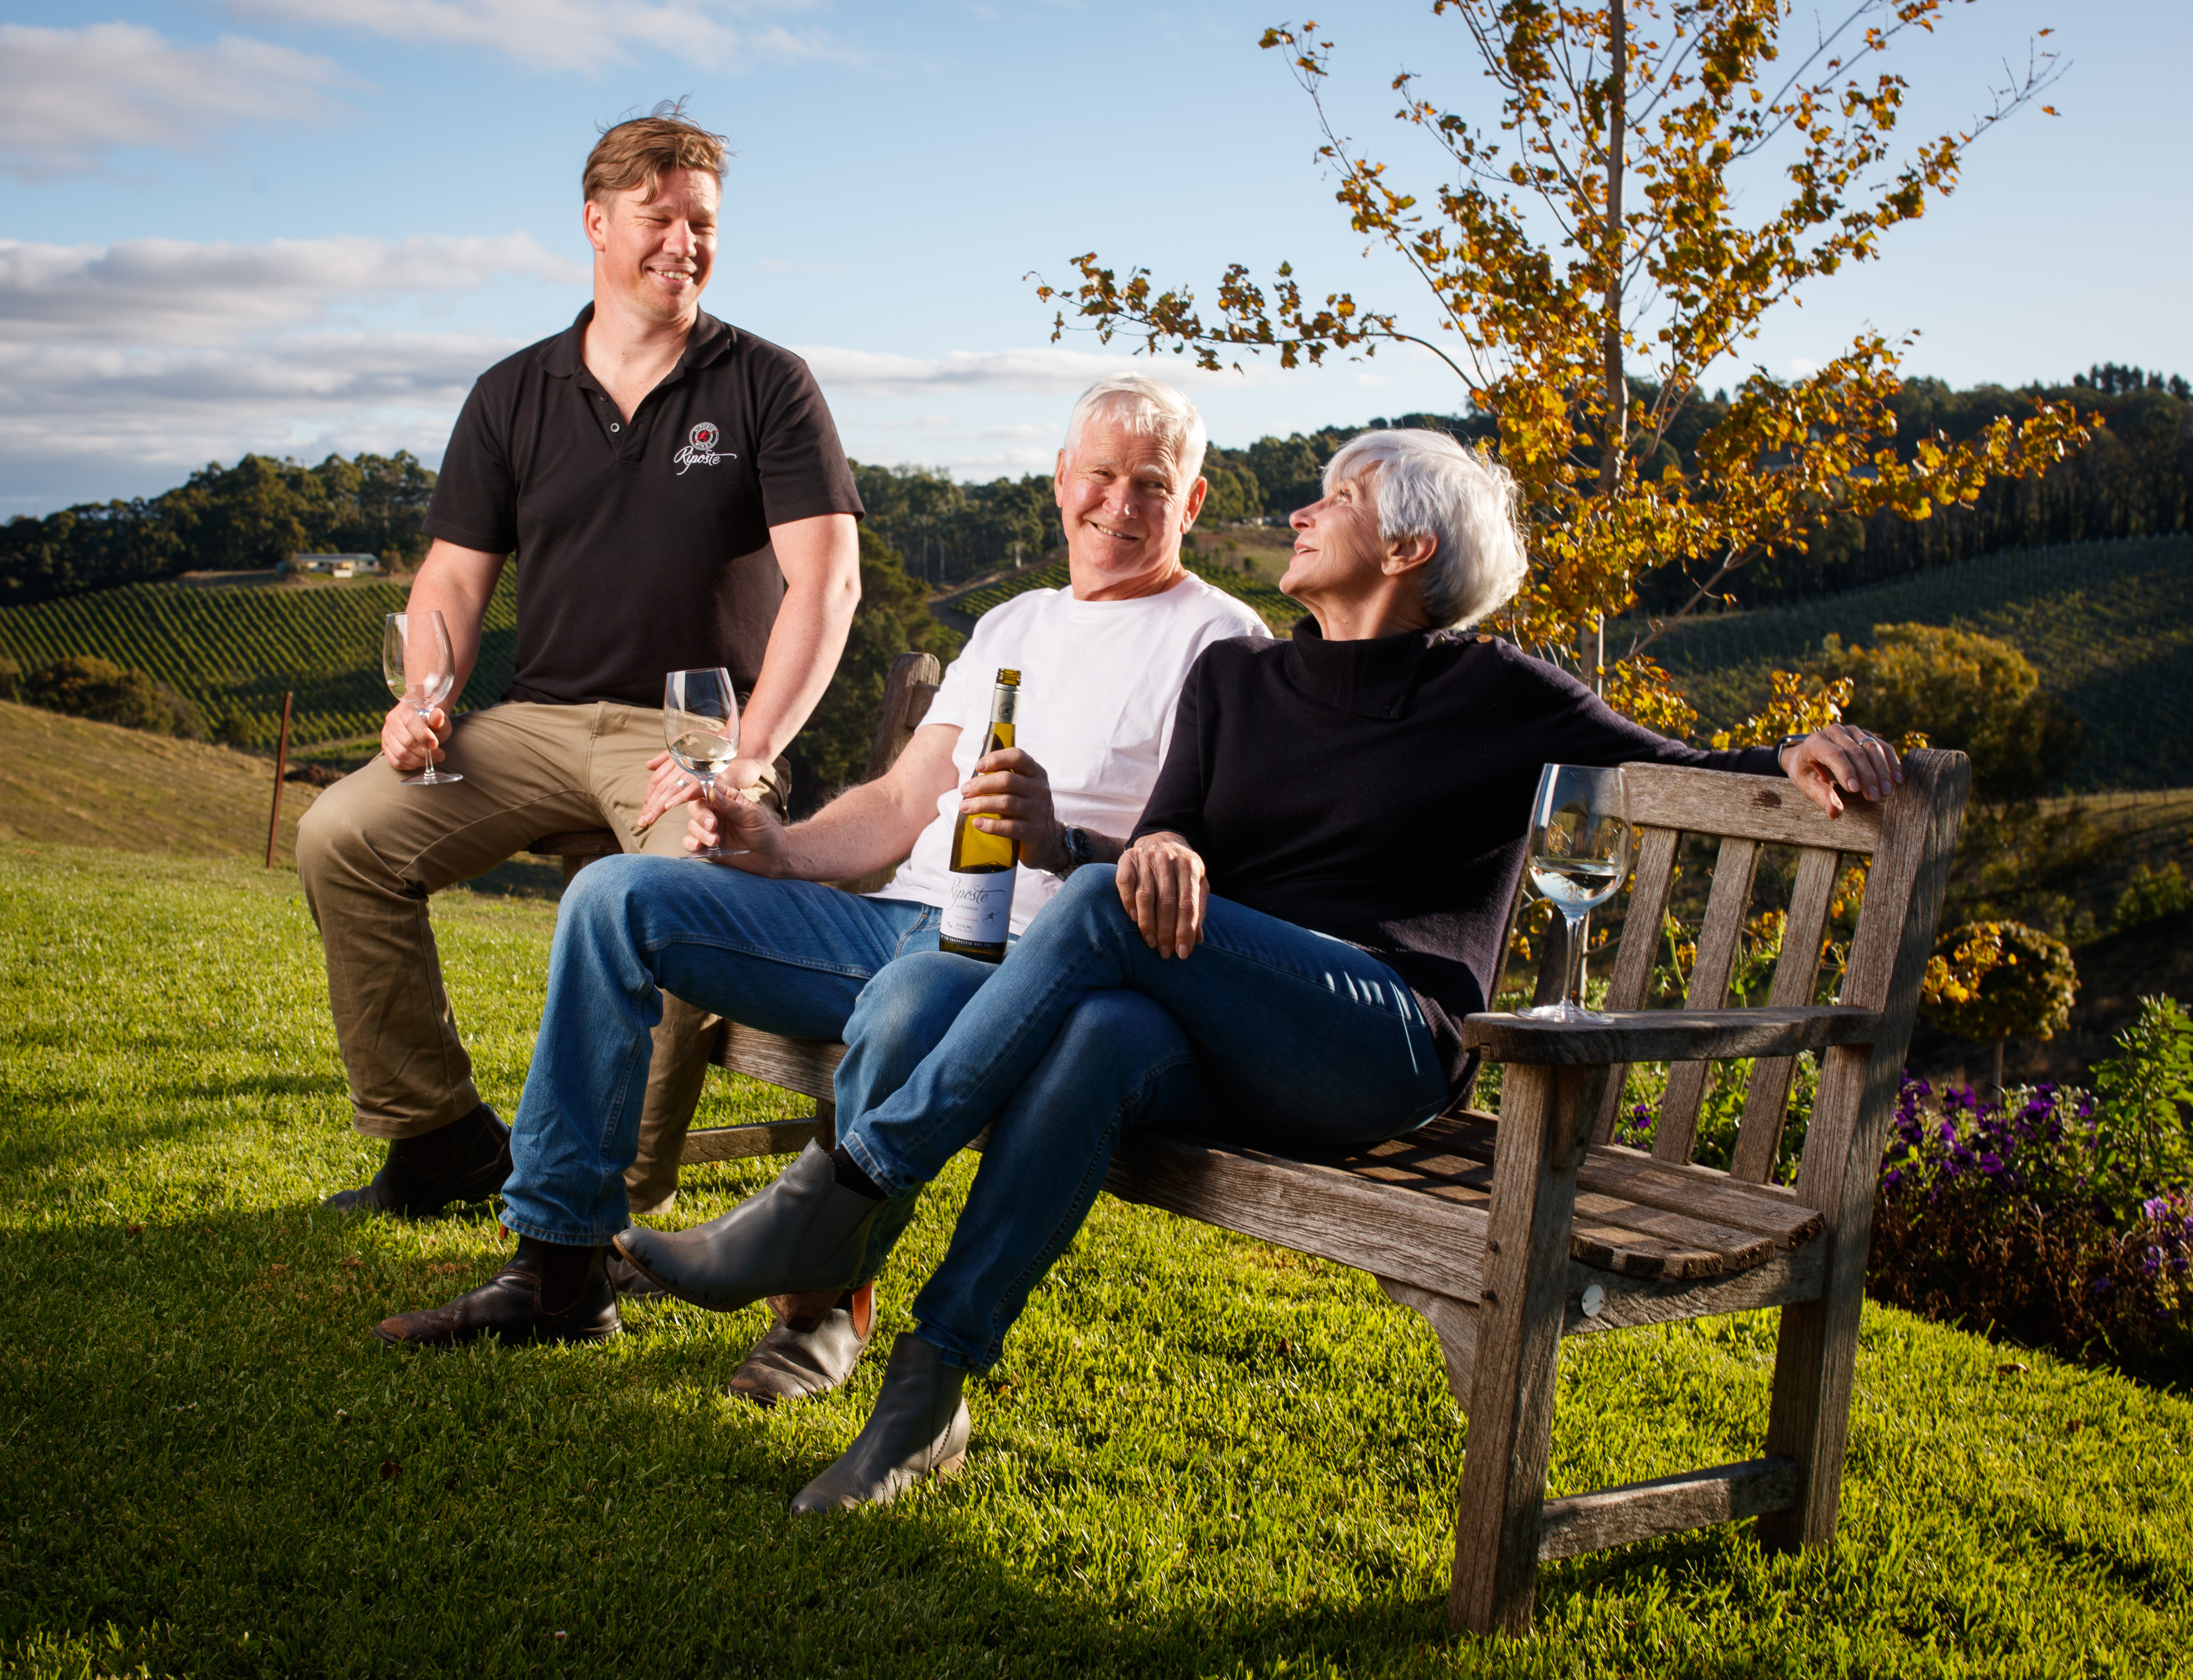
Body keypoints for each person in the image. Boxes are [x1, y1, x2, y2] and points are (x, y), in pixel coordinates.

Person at [608, 426, 1911, 1514]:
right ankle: (926, 1395)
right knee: (1101, 1034)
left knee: (1109, 938)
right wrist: (1135, 843)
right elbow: (1168, 844)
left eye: (1335, 496)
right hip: (1215, 1021)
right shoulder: (1235, 678)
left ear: (1408, 550)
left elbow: (1672, 762)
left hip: (1377, 1039)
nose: (1299, 508)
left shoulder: (1499, 694)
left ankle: (842, 1188)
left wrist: (1797, 751)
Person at [371, 374, 1273, 1399]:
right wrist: (775, 843)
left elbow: (1204, 858)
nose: (1118, 503)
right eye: (1099, 475)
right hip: (892, 920)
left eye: (1150, 483)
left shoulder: (1225, 642)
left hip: (1022, 962)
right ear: (1059, 481)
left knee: (904, 1001)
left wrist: (1065, 838)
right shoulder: (1015, 625)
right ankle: (557, 1268)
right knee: (616, 896)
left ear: (1192, 502)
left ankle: (818, 1310)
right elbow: (899, 801)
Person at [298, 103, 863, 1221]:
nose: (683, 243)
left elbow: (828, 583)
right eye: (658, 218)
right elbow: (450, 583)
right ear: (596, 224)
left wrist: (743, 761)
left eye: (702, 222)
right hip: (533, 725)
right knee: (339, 836)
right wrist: (423, 699)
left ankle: (594, 1204)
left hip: (694, 732)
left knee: (686, 890)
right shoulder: (512, 393)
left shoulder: (767, 383)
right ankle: (438, 1139)